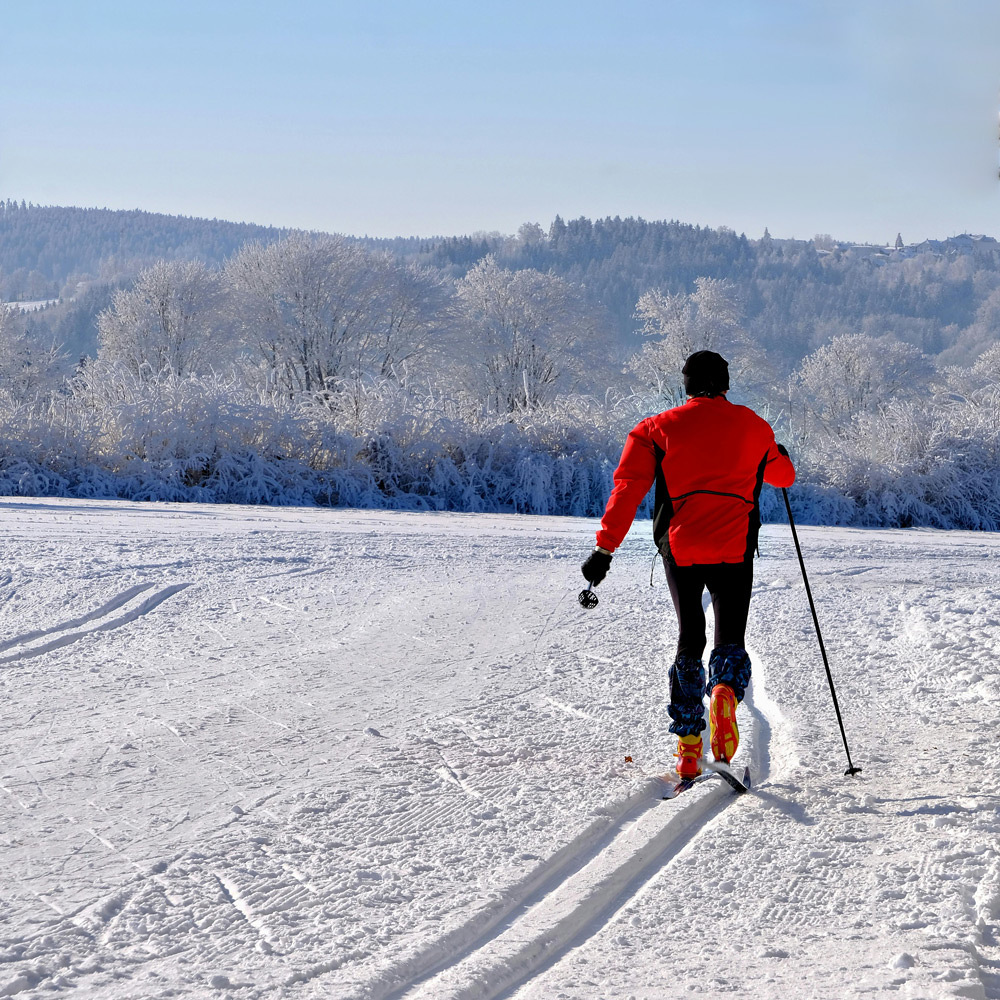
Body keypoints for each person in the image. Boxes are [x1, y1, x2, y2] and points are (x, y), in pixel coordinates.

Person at [581, 351, 795, 779]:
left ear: (687, 384)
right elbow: (783, 477)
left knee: (689, 638)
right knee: (730, 638)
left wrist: (604, 550)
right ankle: (724, 694)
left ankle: (688, 747)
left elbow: (628, 489)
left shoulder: (654, 429)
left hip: (680, 548)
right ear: (726, 383)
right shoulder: (755, 426)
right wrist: (781, 454)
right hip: (734, 546)